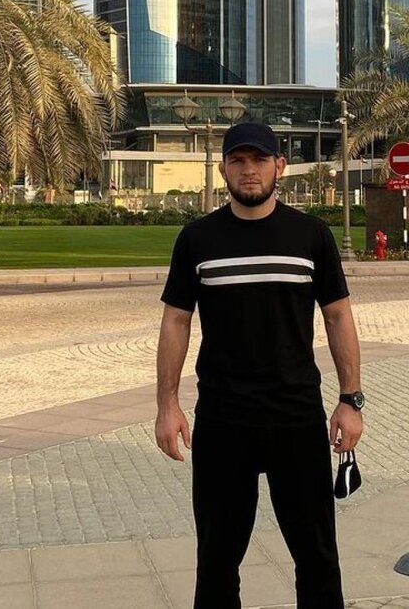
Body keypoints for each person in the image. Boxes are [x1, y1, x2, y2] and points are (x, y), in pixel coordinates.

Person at [155, 121, 365, 609]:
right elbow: (176, 322)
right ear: (224, 169)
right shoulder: (198, 239)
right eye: (238, 161)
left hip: (296, 417)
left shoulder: (310, 236)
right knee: (216, 562)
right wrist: (167, 405)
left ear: (280, 166)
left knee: (317, 559)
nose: (249, 170)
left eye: (260, 160)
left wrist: (350, 401)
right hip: (223, 421)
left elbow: (338, 316)